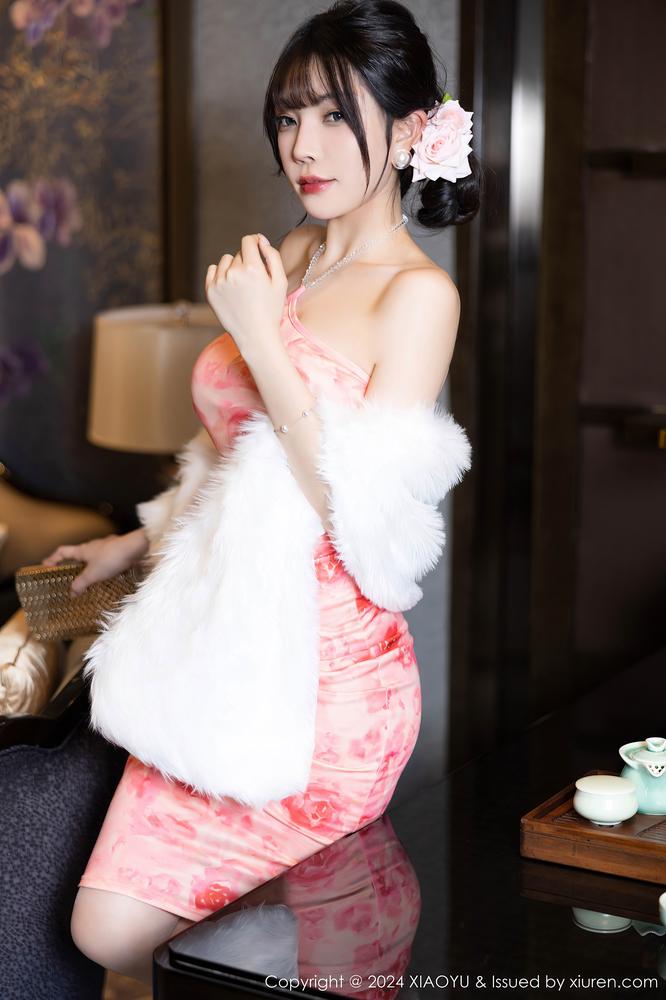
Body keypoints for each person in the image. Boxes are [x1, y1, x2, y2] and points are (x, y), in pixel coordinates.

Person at [43, 0, 481, 986]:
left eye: (334, 116)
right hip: (223, 658)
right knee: (107, 929)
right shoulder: (293, 250)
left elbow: (375, 535)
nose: (303, 146)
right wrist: (133, 541)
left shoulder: (419, 296)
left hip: (326, 694)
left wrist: (260, 334)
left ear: (409, 131)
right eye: (288, 117)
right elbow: (236, 456)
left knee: (250, 965)